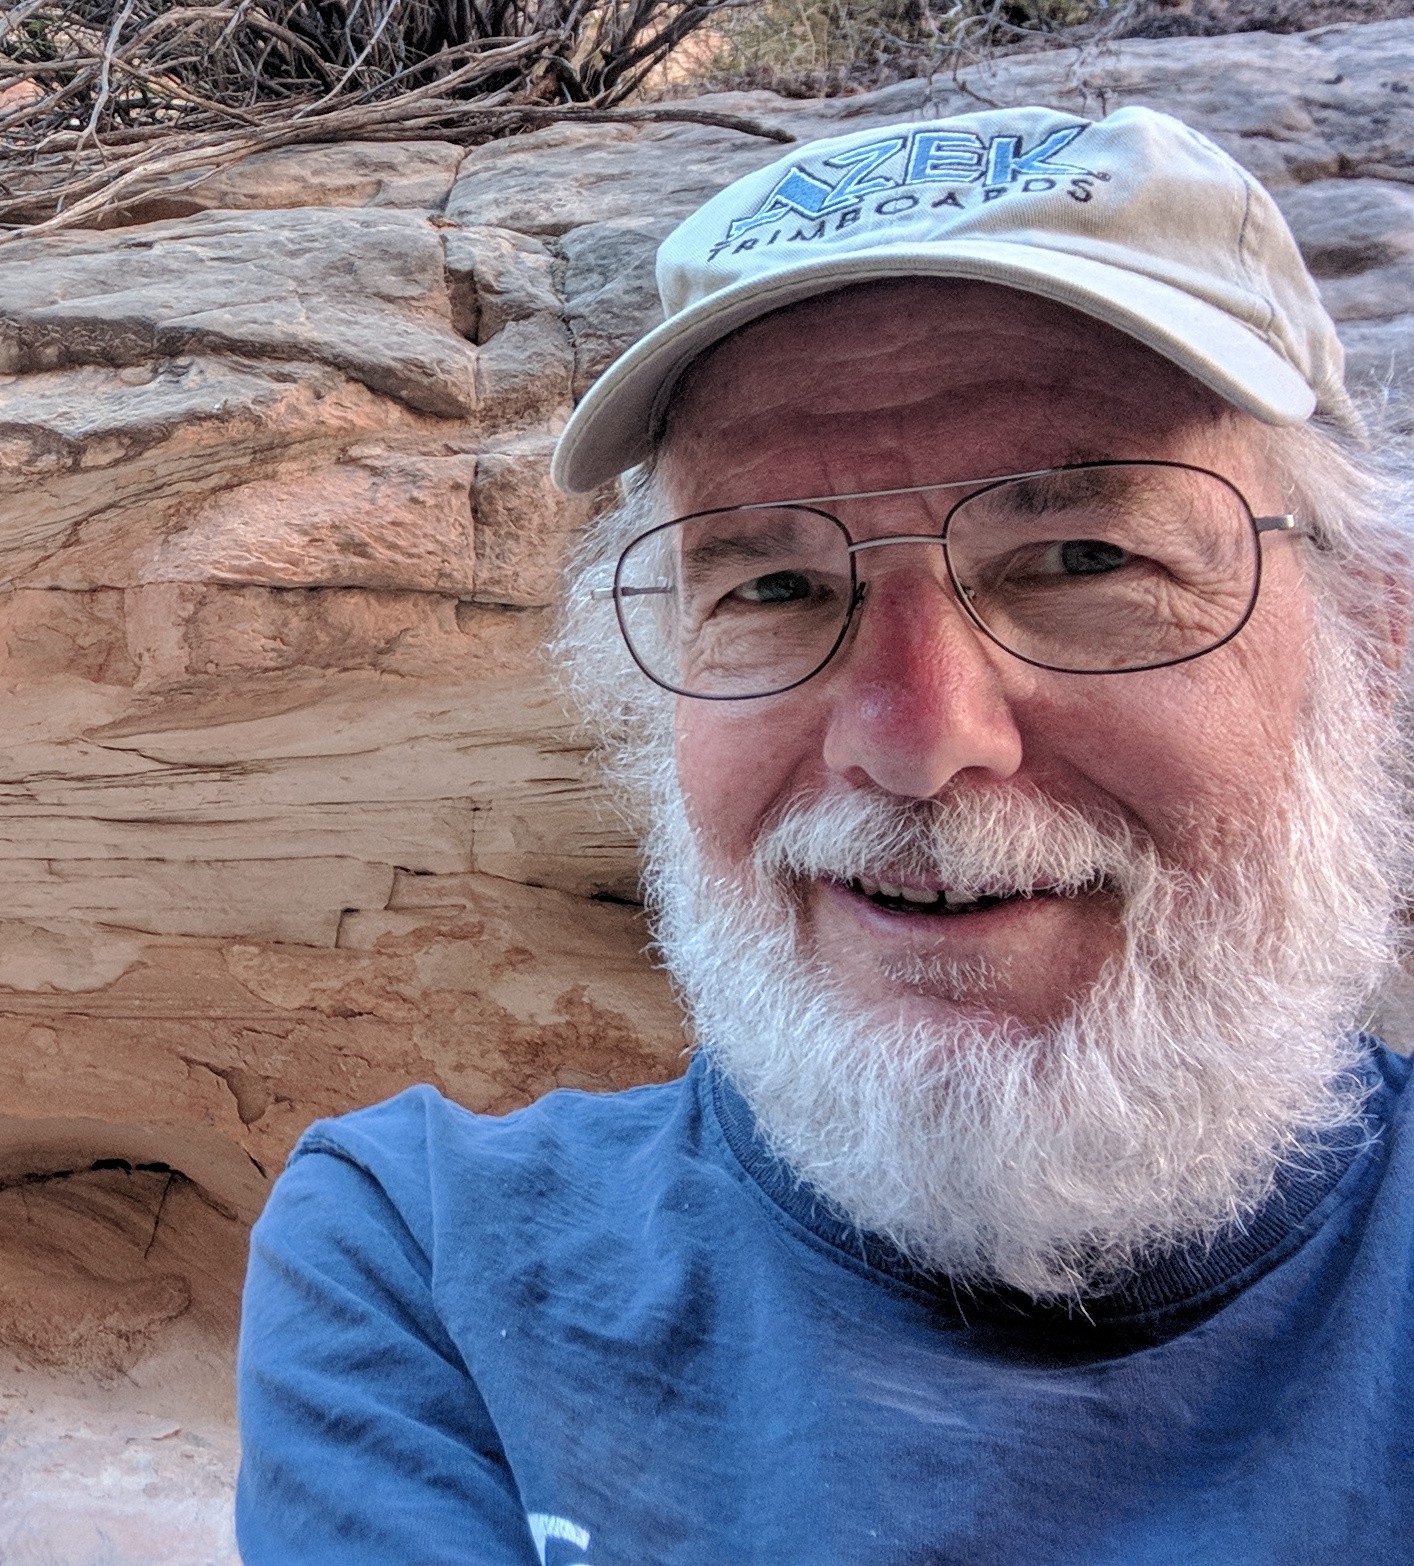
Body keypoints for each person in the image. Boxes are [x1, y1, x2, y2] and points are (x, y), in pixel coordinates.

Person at [233, 104, 1414, 1563]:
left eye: (1080, 559)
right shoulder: (428, 1254)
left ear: (1363, 639)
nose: (914, 738)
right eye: (774, 587)